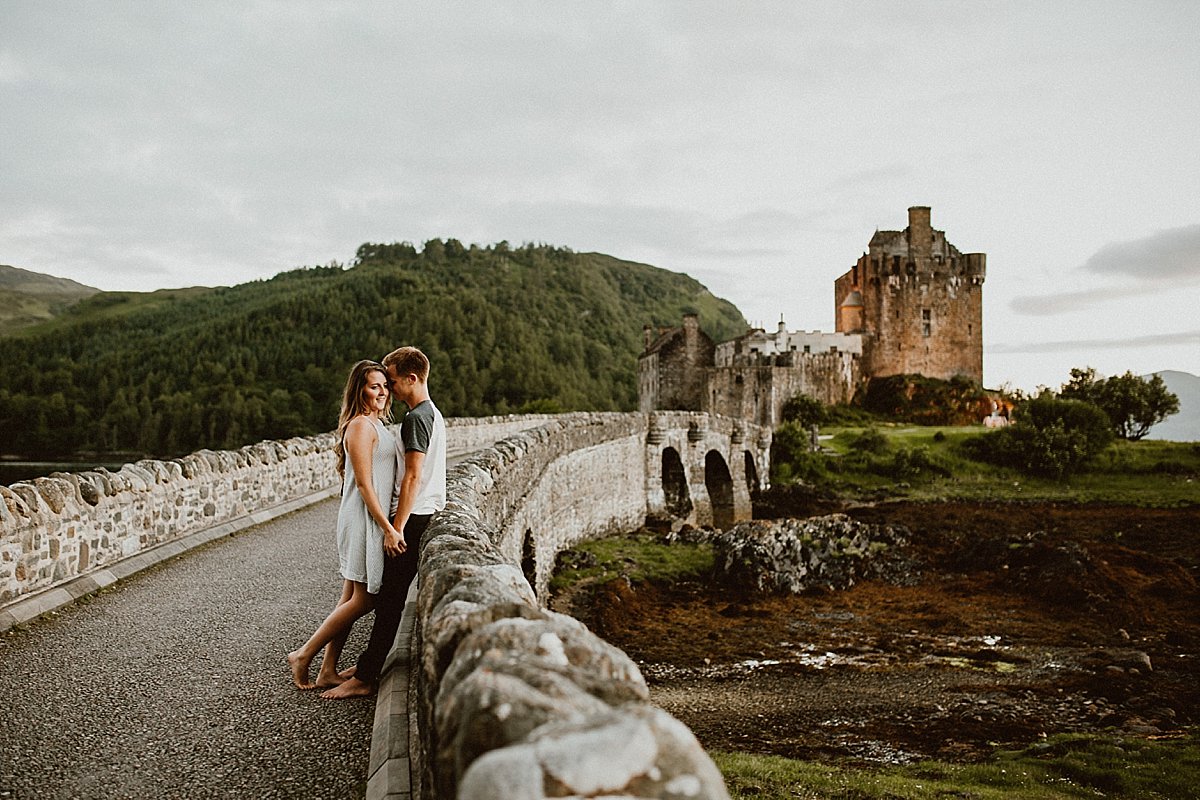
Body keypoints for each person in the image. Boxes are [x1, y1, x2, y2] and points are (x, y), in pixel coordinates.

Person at [321, 345, 446, 699]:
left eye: (390, 381)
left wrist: (398, 527)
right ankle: (354, 668)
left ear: (411, 378)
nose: (389, 389)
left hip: (413, 516)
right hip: (420, 513)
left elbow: (411, 478)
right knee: (377, 598)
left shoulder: (416, 419)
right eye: (380, 384)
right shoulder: (432, 414)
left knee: (385, 602)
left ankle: (364, 675)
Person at [288, 360, 402, 689]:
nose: (381, 392)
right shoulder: (360, 426)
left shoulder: (376, 424)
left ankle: (327, 669)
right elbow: (366, 485)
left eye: (384, 385)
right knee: (365, 599)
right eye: (373, 386)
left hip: (368, 514)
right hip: (364, 516)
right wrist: (389, 527)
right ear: (359, 390)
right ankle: (304, 654)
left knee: (350, 597)